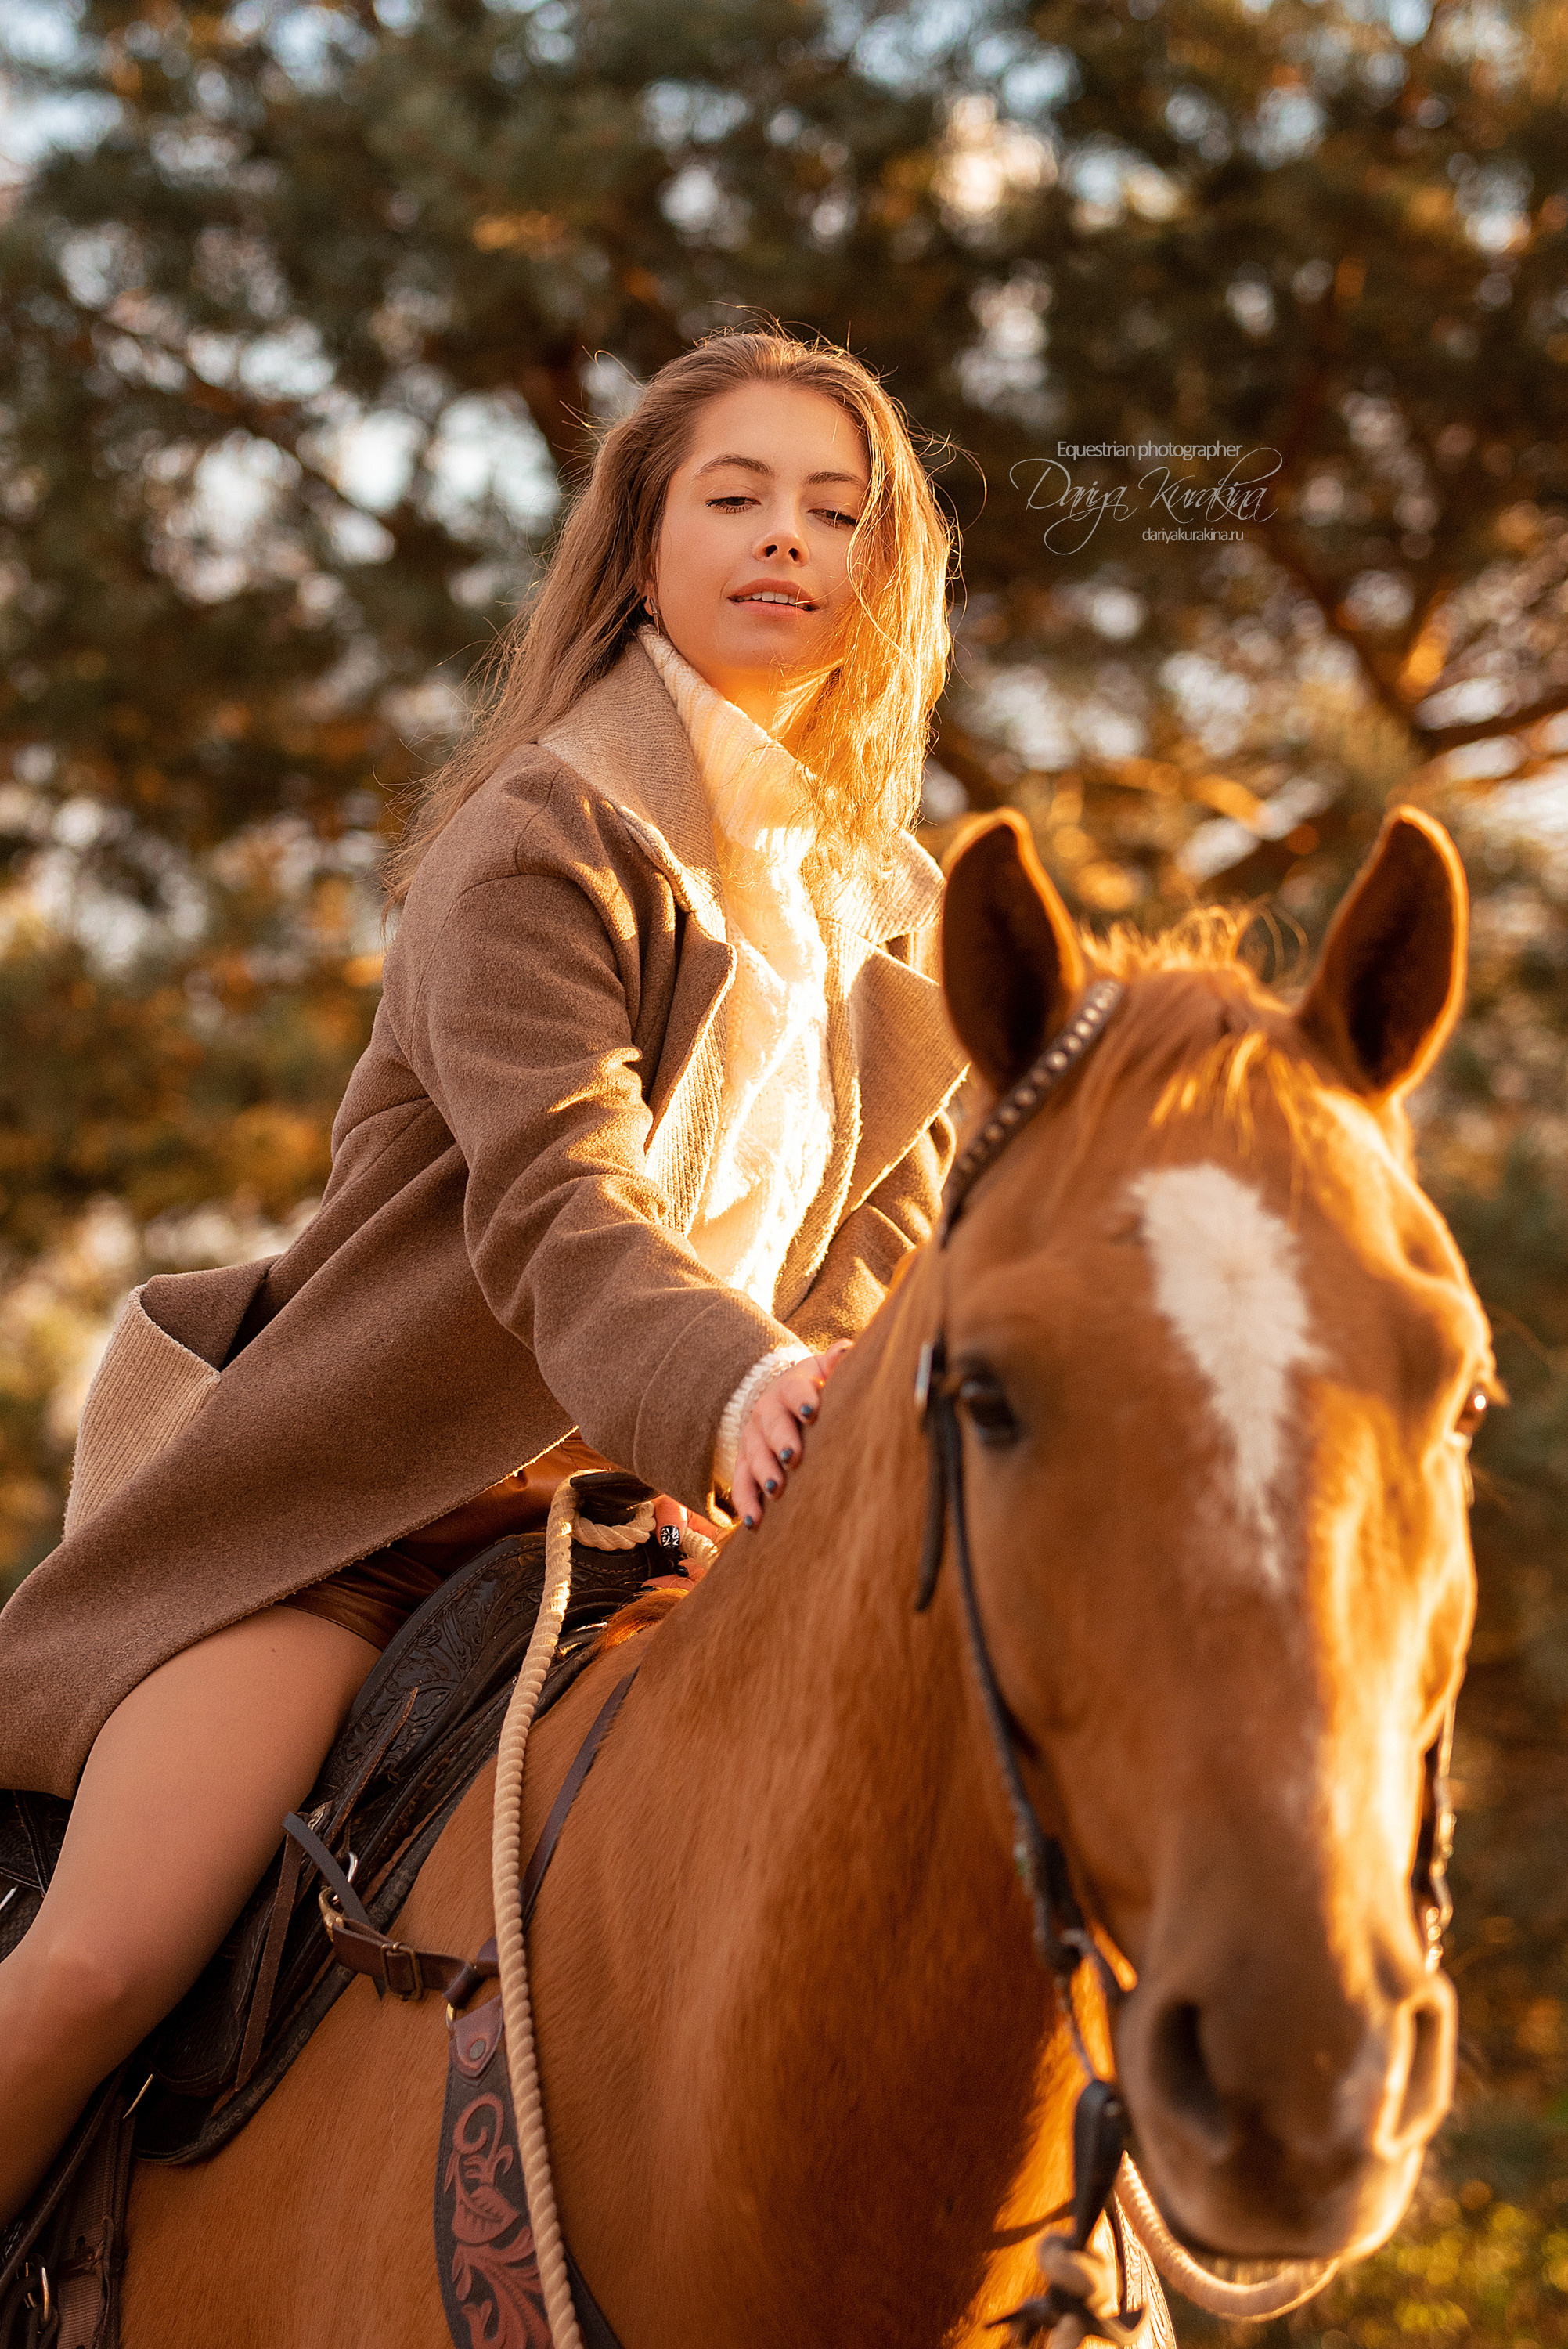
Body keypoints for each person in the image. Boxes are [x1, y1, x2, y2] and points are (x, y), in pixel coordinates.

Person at [0, 328, 967, 2221]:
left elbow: (876, 1269)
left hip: (662, 1544)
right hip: (364, 1533)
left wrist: (828, 1420)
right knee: (96, 1971)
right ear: (643, 548)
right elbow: (557, 1203)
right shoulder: (545, 830)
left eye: (836, 509)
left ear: (885, 577)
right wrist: (740, 1392)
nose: (787, 536)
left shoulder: (899, 925)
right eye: (736, 496)